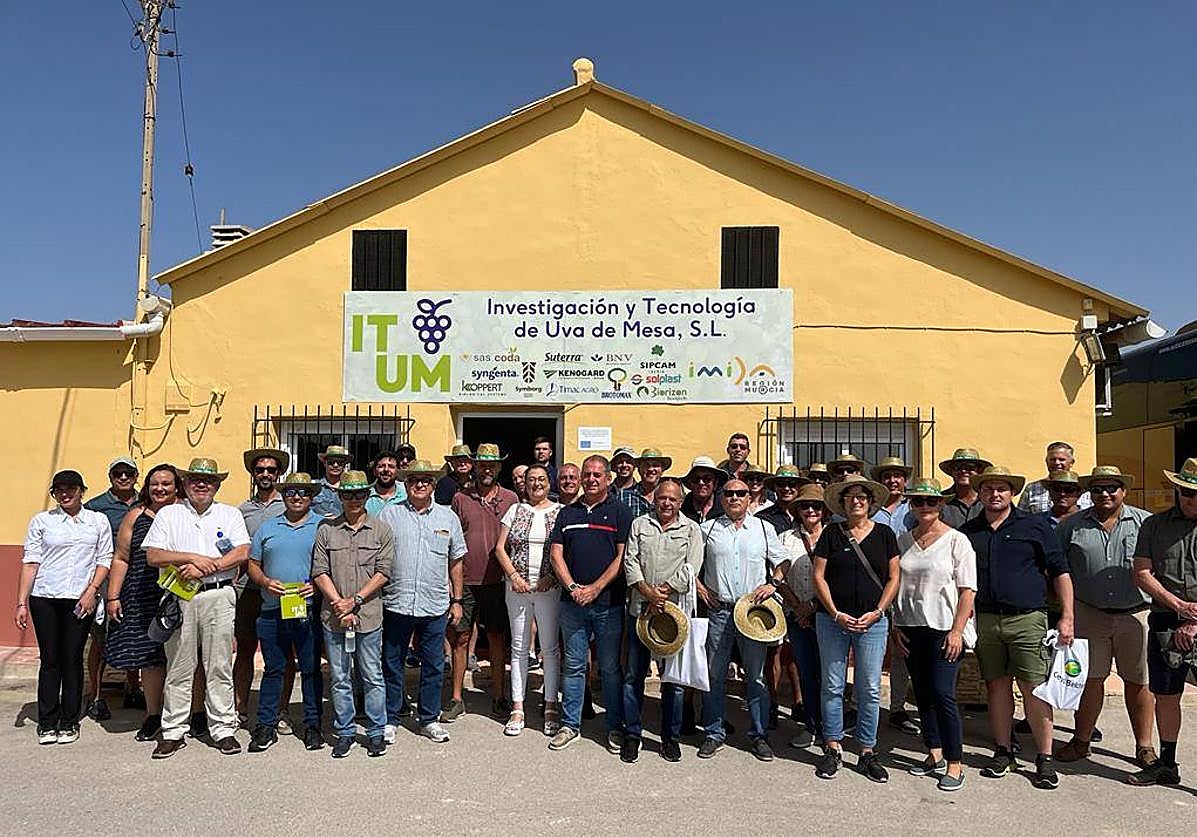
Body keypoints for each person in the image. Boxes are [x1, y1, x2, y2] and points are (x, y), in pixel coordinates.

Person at [961, 465, 1074, 790]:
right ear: (980, 493)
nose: (995, 494)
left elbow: (1060, 572)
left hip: (1028, 619)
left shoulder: (1035, 526)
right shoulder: (970, 532)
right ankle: (1003, 750)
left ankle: (1044, 758)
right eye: (989, 489)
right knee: (995, 687)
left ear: (1012, 492)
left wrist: (1067, 617)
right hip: (985, 619)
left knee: (1033, 688)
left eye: (1002, 488)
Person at [143, 458, 250, 758]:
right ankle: (174, 730)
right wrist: (190, 558)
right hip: (180, 598)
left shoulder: (229, 514)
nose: (202, 484)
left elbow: (242, 551)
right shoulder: (169, 515)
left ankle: (223, 728)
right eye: (195, 480)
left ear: (216, 485)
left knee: (218, 665)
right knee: (179, 665)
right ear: (185, 484)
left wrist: (208, 567)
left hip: (219, 594)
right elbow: (153, 555)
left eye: (208, 480)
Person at [1053, 466, 1154, 768]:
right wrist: (1064, 611)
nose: (1105, 494)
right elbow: (1058, 568)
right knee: (1089, 681)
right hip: (1089, 613)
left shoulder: (1145, 523)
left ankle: (1145, 746)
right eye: (1098, 489)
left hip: (1137, 614)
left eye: (1112, 488)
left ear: (1124, 490)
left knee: (1139, 682)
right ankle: (1081, 740)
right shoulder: (1071, 526)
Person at [810, 474, 900, 783]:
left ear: (872, 502)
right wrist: (834, 613)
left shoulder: (886, 534)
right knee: (833, 685)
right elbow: (818, 575)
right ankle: (832, 746)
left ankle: (866, 750)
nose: (857, 500)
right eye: (851, 496)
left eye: (863, 496)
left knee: (870, 689)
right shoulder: (832, 533)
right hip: (833, 622)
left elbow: (893, 577)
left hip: (872, 624)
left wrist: (878, 611)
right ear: (843, 503)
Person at [891, 477, 977, 792]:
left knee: (943, 694)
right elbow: (896, 586)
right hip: (911, 627)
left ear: (941, 504)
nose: (924, 507)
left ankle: (956, 761)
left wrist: (957, 631)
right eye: (917, 501)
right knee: (923, 694)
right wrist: (894, 625)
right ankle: (934, 752)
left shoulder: (957, 541)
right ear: (910, 505)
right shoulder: (902, 541)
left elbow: (968, 590)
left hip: (945, 629)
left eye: (930, 501)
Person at [16, 469, 113, 745]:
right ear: (54, 493)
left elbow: (104, 559)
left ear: (82, 490)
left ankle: (69, 720)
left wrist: (92, 591)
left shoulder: (97, 521)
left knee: (71, 658)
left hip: (79, 598)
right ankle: (47, 721)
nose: (65, 493)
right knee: (50, 659)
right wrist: (21, 602)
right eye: (59, 489)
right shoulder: (42, 521)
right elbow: (31, 561)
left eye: (71, 488)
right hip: (45, 597)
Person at [547, 455, 633, 752]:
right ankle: (570, 725)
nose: (591, 479)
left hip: (608, 603)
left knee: (609, 668)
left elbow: (622, 558)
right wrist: (573, 587)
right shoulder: (567, 512)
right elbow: (556, 553)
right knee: (573, 666)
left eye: (597, 474)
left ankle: (614, 727)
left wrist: (594, 589)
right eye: (587, 474)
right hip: (572, 604)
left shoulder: (620, 512)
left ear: (608, 478)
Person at [695, 479, 785, 762]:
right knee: (714, 674)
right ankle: (713, 732)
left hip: (752, 612)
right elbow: (690, 563)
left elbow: (782, 561)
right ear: (722, 498)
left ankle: (758, 735)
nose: (734, 497)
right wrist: (699, 588)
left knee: (755, 676)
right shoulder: (707, 529)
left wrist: (774, 584)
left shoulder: (763, 528)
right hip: (719, 610)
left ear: (749, 497)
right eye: (729, 493)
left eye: (740, 493)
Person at [379, 460, 467, 745]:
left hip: (435, 603)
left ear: (433, 484)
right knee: (392, 663)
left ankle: (429, 719)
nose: (420, 484)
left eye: (426, 480)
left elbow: (456, 562)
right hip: (396, 601)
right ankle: (391, 717)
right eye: (415, 479)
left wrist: (457, 600)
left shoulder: (448, 517)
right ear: (406, 483)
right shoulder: (389, 515)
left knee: (433, 664)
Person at [311, 470, 392, 758]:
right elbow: (320, 571)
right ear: (339, 496)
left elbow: (384, 571)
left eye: (359, 494)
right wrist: (339, 604)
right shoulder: (326, 529)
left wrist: (355, 600)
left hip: (368, 616)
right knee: (340, 677)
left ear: (367, 495)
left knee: (372, 676)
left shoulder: (381, 530)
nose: (354, 499)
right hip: (334, 618)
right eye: (348, 494)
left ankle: (376, 732)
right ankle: (344, 732)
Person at [622, 477, 703, 762]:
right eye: (662, 498)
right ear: (654, 500)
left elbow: (691, 566)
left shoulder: (692, 529)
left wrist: (664, 592)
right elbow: (630, 562)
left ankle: (671, 738)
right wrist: (647, 591)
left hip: (673, 616)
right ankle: (632, 735)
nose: (666, 503)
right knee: (634, 675)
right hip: (641, 611)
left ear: (680, 502)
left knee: (673, 681)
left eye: (672, 499)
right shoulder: (639, 525)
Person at [1129, 457, 1197, 786]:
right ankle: (1167, 764)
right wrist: (1179, 607)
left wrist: (1194, 621)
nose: (1191, 499)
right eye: (1186, 492)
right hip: (1166, 620)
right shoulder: (1154, 526)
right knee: (1166, 694)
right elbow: (1142, 571)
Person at [245, 472, 325, 753]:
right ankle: (265, 725)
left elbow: (331, 566)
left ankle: (313, 724)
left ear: (311, 496)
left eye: (303, 492)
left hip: (308, 610)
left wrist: (316, 586)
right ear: (283, 495)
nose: (297, 497)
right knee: (273, 669)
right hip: (271, 609)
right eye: (291, 491)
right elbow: (253, 564)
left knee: (311, 670)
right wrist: (265, 581)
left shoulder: (322, 527)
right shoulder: (268, 528)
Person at [104, 464, 182, 742]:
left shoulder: (185, 514)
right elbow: (121, 557)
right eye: (155, 484)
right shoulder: (135, 516)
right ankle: (153, 714)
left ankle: (183, 714)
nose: (160, 489)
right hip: (140, 592)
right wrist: (113, 595)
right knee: (149, 658)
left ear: (176, 487)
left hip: (179, 594)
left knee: (182, 657)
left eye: (166, 484)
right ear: (147, 487)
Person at [447, 443, 519, 720]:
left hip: (498, 580)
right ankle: (456, 697)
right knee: (460, 637)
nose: (486, 469)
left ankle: (500, 696)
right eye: (481, 464)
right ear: (474, 467)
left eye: (492, 464)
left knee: (497, 638)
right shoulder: (460, 498)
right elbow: (453, 540)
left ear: (499, 467)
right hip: (465, 579)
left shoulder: (512, 499)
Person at [494, 463, 563, 737]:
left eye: (541, 479)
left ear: (549, 482)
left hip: (548, 587)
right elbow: (500, 548)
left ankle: (550, 704)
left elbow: (563, 550)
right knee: (520, 646)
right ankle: (518, 706)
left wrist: (553, 578)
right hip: (517, 588)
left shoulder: (559, 512)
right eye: (532, 479)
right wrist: (513, 576)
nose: (536, 484)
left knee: (549, 647)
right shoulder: (515, 510)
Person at [235, 446, 289, 730]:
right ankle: (240, 709)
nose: (266, 474)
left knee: (283, 652)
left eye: (271, 469)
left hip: (283, 590)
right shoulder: (241, 510)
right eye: (260, 470)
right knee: (244, 648)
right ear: (253, 474)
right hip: (248, 589)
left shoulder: (290, 505)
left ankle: (281, 711)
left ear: (279, 473)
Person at [83, 456, 141, 721]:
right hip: (107, 579)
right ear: (111, 477)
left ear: (136, 476)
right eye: (118, 473)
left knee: (136, 633)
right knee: (101, 637)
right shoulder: (95, 507)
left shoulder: (147, 502)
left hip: (139, 578)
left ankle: (133, 687)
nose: (123, 477)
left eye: (128, 473)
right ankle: (96, 696)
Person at [774, 483, 828, 745]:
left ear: (824, 509)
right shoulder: (786, 538)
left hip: (827, 615)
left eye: (816, 506)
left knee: (829, 675)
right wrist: (798, 607)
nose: (810, 510)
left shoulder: (834, 535)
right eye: (805, 506)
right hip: (796, 615)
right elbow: (778, 576)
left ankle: (831, 728)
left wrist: (814, 606)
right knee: (806, 672)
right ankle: (811, 725)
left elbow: (837, 577)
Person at [869, 456, 918, 735]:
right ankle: (864, 704)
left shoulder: (914, 510)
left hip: (907, 587)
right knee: (870, 648)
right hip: (874, 586)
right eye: (887, 476)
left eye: (897, 475)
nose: (892, 481)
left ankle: (897, 708)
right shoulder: (871, 510)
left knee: (902, 651)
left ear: (905, 480)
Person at [1019, 442, 1094, 514]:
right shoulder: (1032, 488)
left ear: (1071, 462)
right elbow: (1021, 518)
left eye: (1062, 459)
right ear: (1046, 461)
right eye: (1053, 459)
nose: (1057, 463)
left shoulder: (1084, 489)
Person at [939, 448, 992, 528]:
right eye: (958, 467)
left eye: (970, 467)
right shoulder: (938, 500)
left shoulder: (990, 500)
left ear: (979, 472)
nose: (963, 471)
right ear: (952, 472)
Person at [617, 448, 671, 519]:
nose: (651, 469)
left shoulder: (670, 497)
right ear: (639, 469)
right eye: (647, 465)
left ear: (662, 470)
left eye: (655, 465)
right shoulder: (623, 496)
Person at [758, 464, 809, 534]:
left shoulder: (809, 515)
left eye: (792, 484)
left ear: (799, 487)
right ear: (774, 487)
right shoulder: (762, 518)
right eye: (781, 484)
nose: (786, 488)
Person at [311, 444, 352, 518]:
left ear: (344, 465)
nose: (335, 465)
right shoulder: (315, 488)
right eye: (331, 462)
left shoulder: (350, 488)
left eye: (340, 462)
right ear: (324, 463)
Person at [681, 456, 726, 523]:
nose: (701, 483)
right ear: (690, 483)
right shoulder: (681, 510)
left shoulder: (725, 508)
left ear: (715, 483)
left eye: (707, 479)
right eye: (696, 479)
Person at [365, 450, 408, 514]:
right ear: (374, 471)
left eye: (391, 466)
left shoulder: (407, 493)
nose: (386, 469)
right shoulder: (364, 497)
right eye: (381, 466)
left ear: (397, 471)